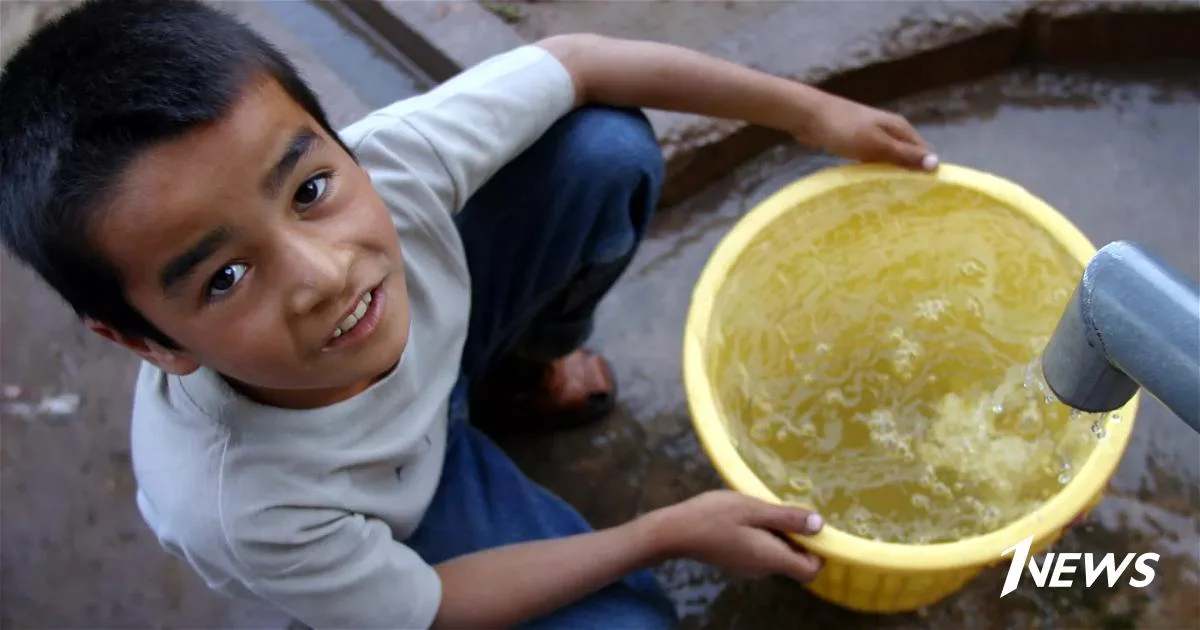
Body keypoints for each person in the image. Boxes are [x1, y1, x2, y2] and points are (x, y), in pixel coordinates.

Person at [0, 0, 939, 627]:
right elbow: (436, 605)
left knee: (601, 149)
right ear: (141, 342)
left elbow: (576, 62)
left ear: (333, 142)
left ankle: (525, 376)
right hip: (399, 519)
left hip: (441, 357)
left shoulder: (391, 162)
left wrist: (811, 114)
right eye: (221, 280)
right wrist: (659, 532)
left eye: (312, 186)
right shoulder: (239, 505)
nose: (323, 273)